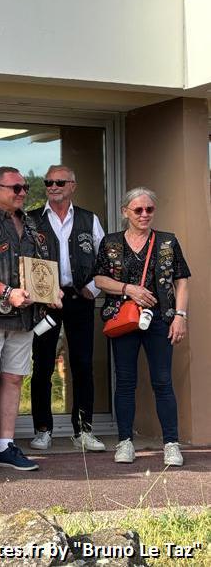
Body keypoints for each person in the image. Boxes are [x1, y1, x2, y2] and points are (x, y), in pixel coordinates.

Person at [0, 166, 56, 473]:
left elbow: (41, 266)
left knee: (15, 378)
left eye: (25, 188)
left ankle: (5, 445)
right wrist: (7, 292)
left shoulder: (31, 223)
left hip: (25, 316)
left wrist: (50, 291)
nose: (22, 193)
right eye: (16, 188)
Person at [93, 187, 190, 467]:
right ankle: (125, 442)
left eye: (149, 209)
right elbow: (99, 279)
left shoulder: (167, 242)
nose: (144, 214)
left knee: (163, 381)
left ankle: (171, 444)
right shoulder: (111, 243)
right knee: (125, 381)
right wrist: (129, 289)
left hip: (160, 319)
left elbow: (182, 280)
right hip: (124, 318)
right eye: (138, 209)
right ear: (125, 212)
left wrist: (180, 316)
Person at [28, 165, 106, 452]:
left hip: (79, 299)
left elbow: (105, 259)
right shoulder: (31, 219)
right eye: (48, 182)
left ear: (72, 185)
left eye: (59, 182)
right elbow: (23, 260)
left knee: (83, 365)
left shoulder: (89, 218)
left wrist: (93, 289)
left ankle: (83, 431)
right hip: (45, 303)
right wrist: (43, 292)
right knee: (42, 365)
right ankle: (42, 430)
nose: (53, 186)